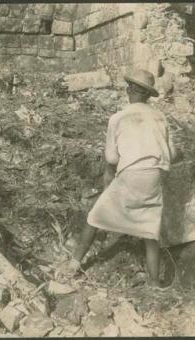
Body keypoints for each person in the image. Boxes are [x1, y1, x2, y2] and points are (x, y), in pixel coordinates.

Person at [60, 69, 176, 288]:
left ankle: (74, 264)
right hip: (154, 176)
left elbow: (112, 158)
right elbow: (172, 153)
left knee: (94, 217)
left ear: (130, 90)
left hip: (131, 175)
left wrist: (111, 176)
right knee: (150, 231)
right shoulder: (160, 117)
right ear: (148, 95)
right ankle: (154, 284)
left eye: (129, 87)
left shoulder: (119, 118)